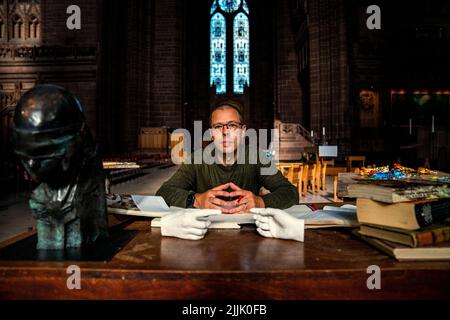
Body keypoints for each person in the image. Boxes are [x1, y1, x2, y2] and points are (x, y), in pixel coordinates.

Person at [156, 101, 299, 215]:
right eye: (218, 126)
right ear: (211, 133)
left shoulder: (257, 157)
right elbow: (164, 193)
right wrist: (196, 200)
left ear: (243, 131)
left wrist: (261, 202)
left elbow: (290, 192)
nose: (225, 132)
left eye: (232, 125)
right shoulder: (197, 160)